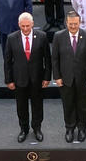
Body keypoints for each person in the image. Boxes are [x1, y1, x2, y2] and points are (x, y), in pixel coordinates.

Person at [4, 12, 52, 142]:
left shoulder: (42, 36)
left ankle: (37, 128)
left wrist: (47, 77)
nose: (25, 29)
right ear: (19, 25)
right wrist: (9, 80)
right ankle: (23, 129)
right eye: (23, 26)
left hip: (37, 78)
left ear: (32, 24)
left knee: (37, 105)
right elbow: (7, 61)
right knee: (21, 106)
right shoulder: (11, 38)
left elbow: (47, 59)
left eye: (28, 26)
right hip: (19, 79)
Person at [51, 10, 86, 142]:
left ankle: (82, 128)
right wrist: (57, 77)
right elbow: (55, 59)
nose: (73, 26)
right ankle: (70, 128)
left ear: (80, 22)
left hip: (84, 79)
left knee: (83, 105)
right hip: (66, 79)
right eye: (70, 24)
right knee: (68, 104)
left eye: (75, 24)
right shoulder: (58, 36)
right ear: (66, 23)